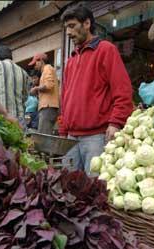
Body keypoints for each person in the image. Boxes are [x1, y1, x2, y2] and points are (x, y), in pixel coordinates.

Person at [59, 5, 133, 175]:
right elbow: (65, 97)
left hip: (96, 137)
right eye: (66, 28)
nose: (68, 33)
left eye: (71, 26)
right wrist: (63, 130)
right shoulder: (71, 60)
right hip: (70, 138)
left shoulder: (106, 50)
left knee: (94, 191)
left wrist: (116, 122)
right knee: (69, 189)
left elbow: (123, 90)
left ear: (86, 23)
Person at [0, 45, 30, 124]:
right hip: (19, 118)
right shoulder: (23, 72)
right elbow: (25, 97)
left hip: (1, 116)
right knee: (17, 136)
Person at [28, 53, 60, 135]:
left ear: (41, 61)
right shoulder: (46, 70)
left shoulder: (48, 68)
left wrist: (36, 88)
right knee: (44, 134)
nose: (35, 66)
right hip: (47, 107)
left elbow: (49, 85)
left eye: (35, 63)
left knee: (44, 136)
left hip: (48, 107)